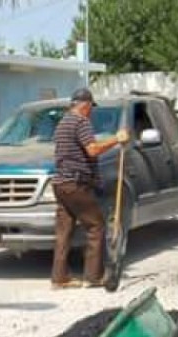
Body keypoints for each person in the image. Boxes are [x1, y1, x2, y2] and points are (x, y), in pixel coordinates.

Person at [51, 87, 130, 290]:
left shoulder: (62, 123)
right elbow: (92, 150)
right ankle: (93, 276)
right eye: (90, 108)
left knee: (64, 230)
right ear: (85, 105)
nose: (91, 112)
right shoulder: (81, 122)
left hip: (60, 183)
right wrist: (116, 139)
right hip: (76, 184)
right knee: (96, 226)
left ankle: (59, 278)